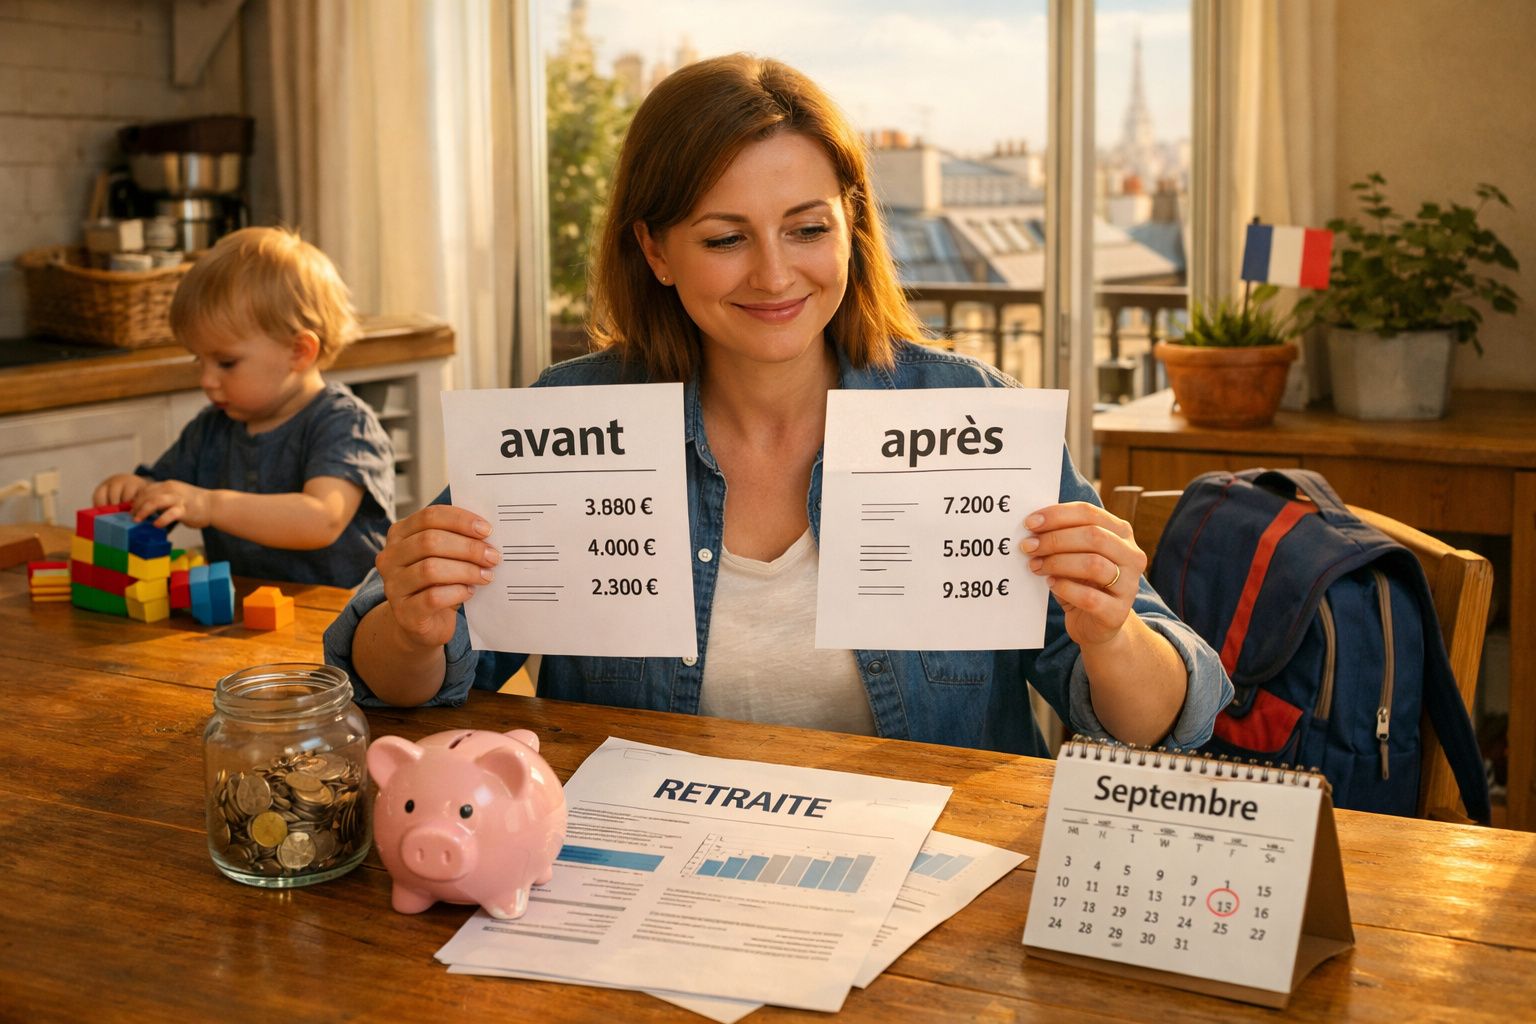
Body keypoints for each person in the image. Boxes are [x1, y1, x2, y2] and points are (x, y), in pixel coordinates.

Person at [324, 54, 1230, 755]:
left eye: (807, 228)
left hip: (937, 900)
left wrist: (1110, 631)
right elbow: (386, 679)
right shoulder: (567, 417)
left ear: (853, 225)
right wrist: (411, 621)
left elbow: (1164, 720)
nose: (773, 274)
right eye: (725, 238)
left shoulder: (967, 411)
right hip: (637, 880)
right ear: (657, 251)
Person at [93, 227, 394, 588]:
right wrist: (135, 489)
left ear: (299, 351)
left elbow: (322, 520)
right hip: (241, 619)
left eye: (226, 363)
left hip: (345, 625)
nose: (206, 380)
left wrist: (208, 505)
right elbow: (168, 492)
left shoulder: (344, 424)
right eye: (199, 361)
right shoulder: (210, 429)